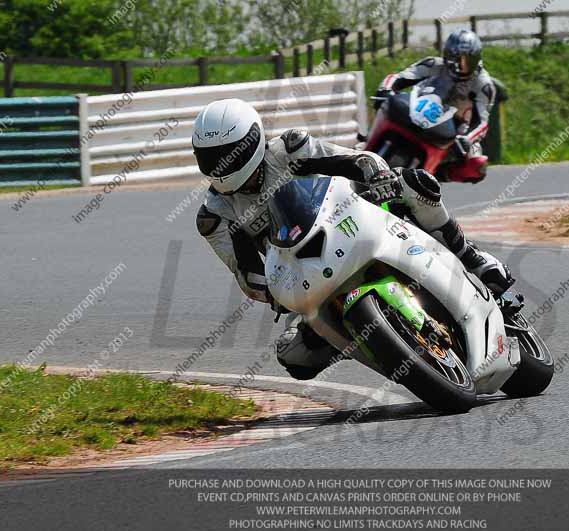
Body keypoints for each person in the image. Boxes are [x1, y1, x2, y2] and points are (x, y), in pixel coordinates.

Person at [193, 98, 514, 380]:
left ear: (252, 142)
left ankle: (469, 255)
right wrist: (273, 292)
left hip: (351, 220)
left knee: (417, 184)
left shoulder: (289, 150)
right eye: (211, 158)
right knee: (294, 357)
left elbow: (358, 160)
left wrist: (379, 176)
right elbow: (247, 274)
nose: (222, 166)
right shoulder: (215, 216)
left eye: (229, 154)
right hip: (305, 272)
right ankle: (368, 337)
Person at [375, 29, 497, 180]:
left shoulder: (484, 85)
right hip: (420, 108)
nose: (460, 66)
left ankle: (438, 174)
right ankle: (365, 143)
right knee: (385, 103)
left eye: (467, 61)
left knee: (477, 166)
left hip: (456, 130)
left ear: (477, 58)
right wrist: (385, 89)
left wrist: (467, 138)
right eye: (455, 59)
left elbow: (482, 122)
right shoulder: (433, 64)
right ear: (446, 55)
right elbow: (398, 77)